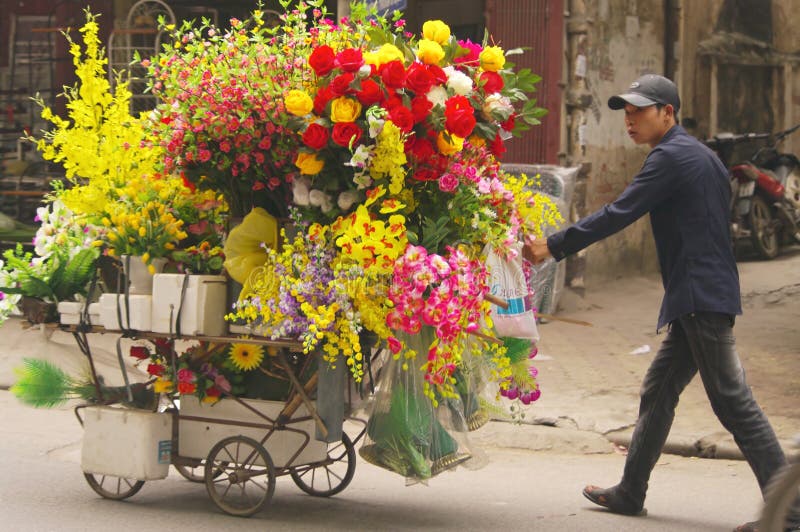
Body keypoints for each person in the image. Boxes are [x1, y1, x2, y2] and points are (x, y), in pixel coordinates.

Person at [524, 74, 799, 532]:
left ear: (667, 113)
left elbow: (619, 212)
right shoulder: (702, 156)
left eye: (639, 112)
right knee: (659, 389)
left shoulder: (670, 157)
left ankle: (788, 513)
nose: (629, 121)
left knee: (733, 403)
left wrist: (553, 245)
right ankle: (631, 491)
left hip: (699, 297)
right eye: (627, 113)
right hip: (702, 293)